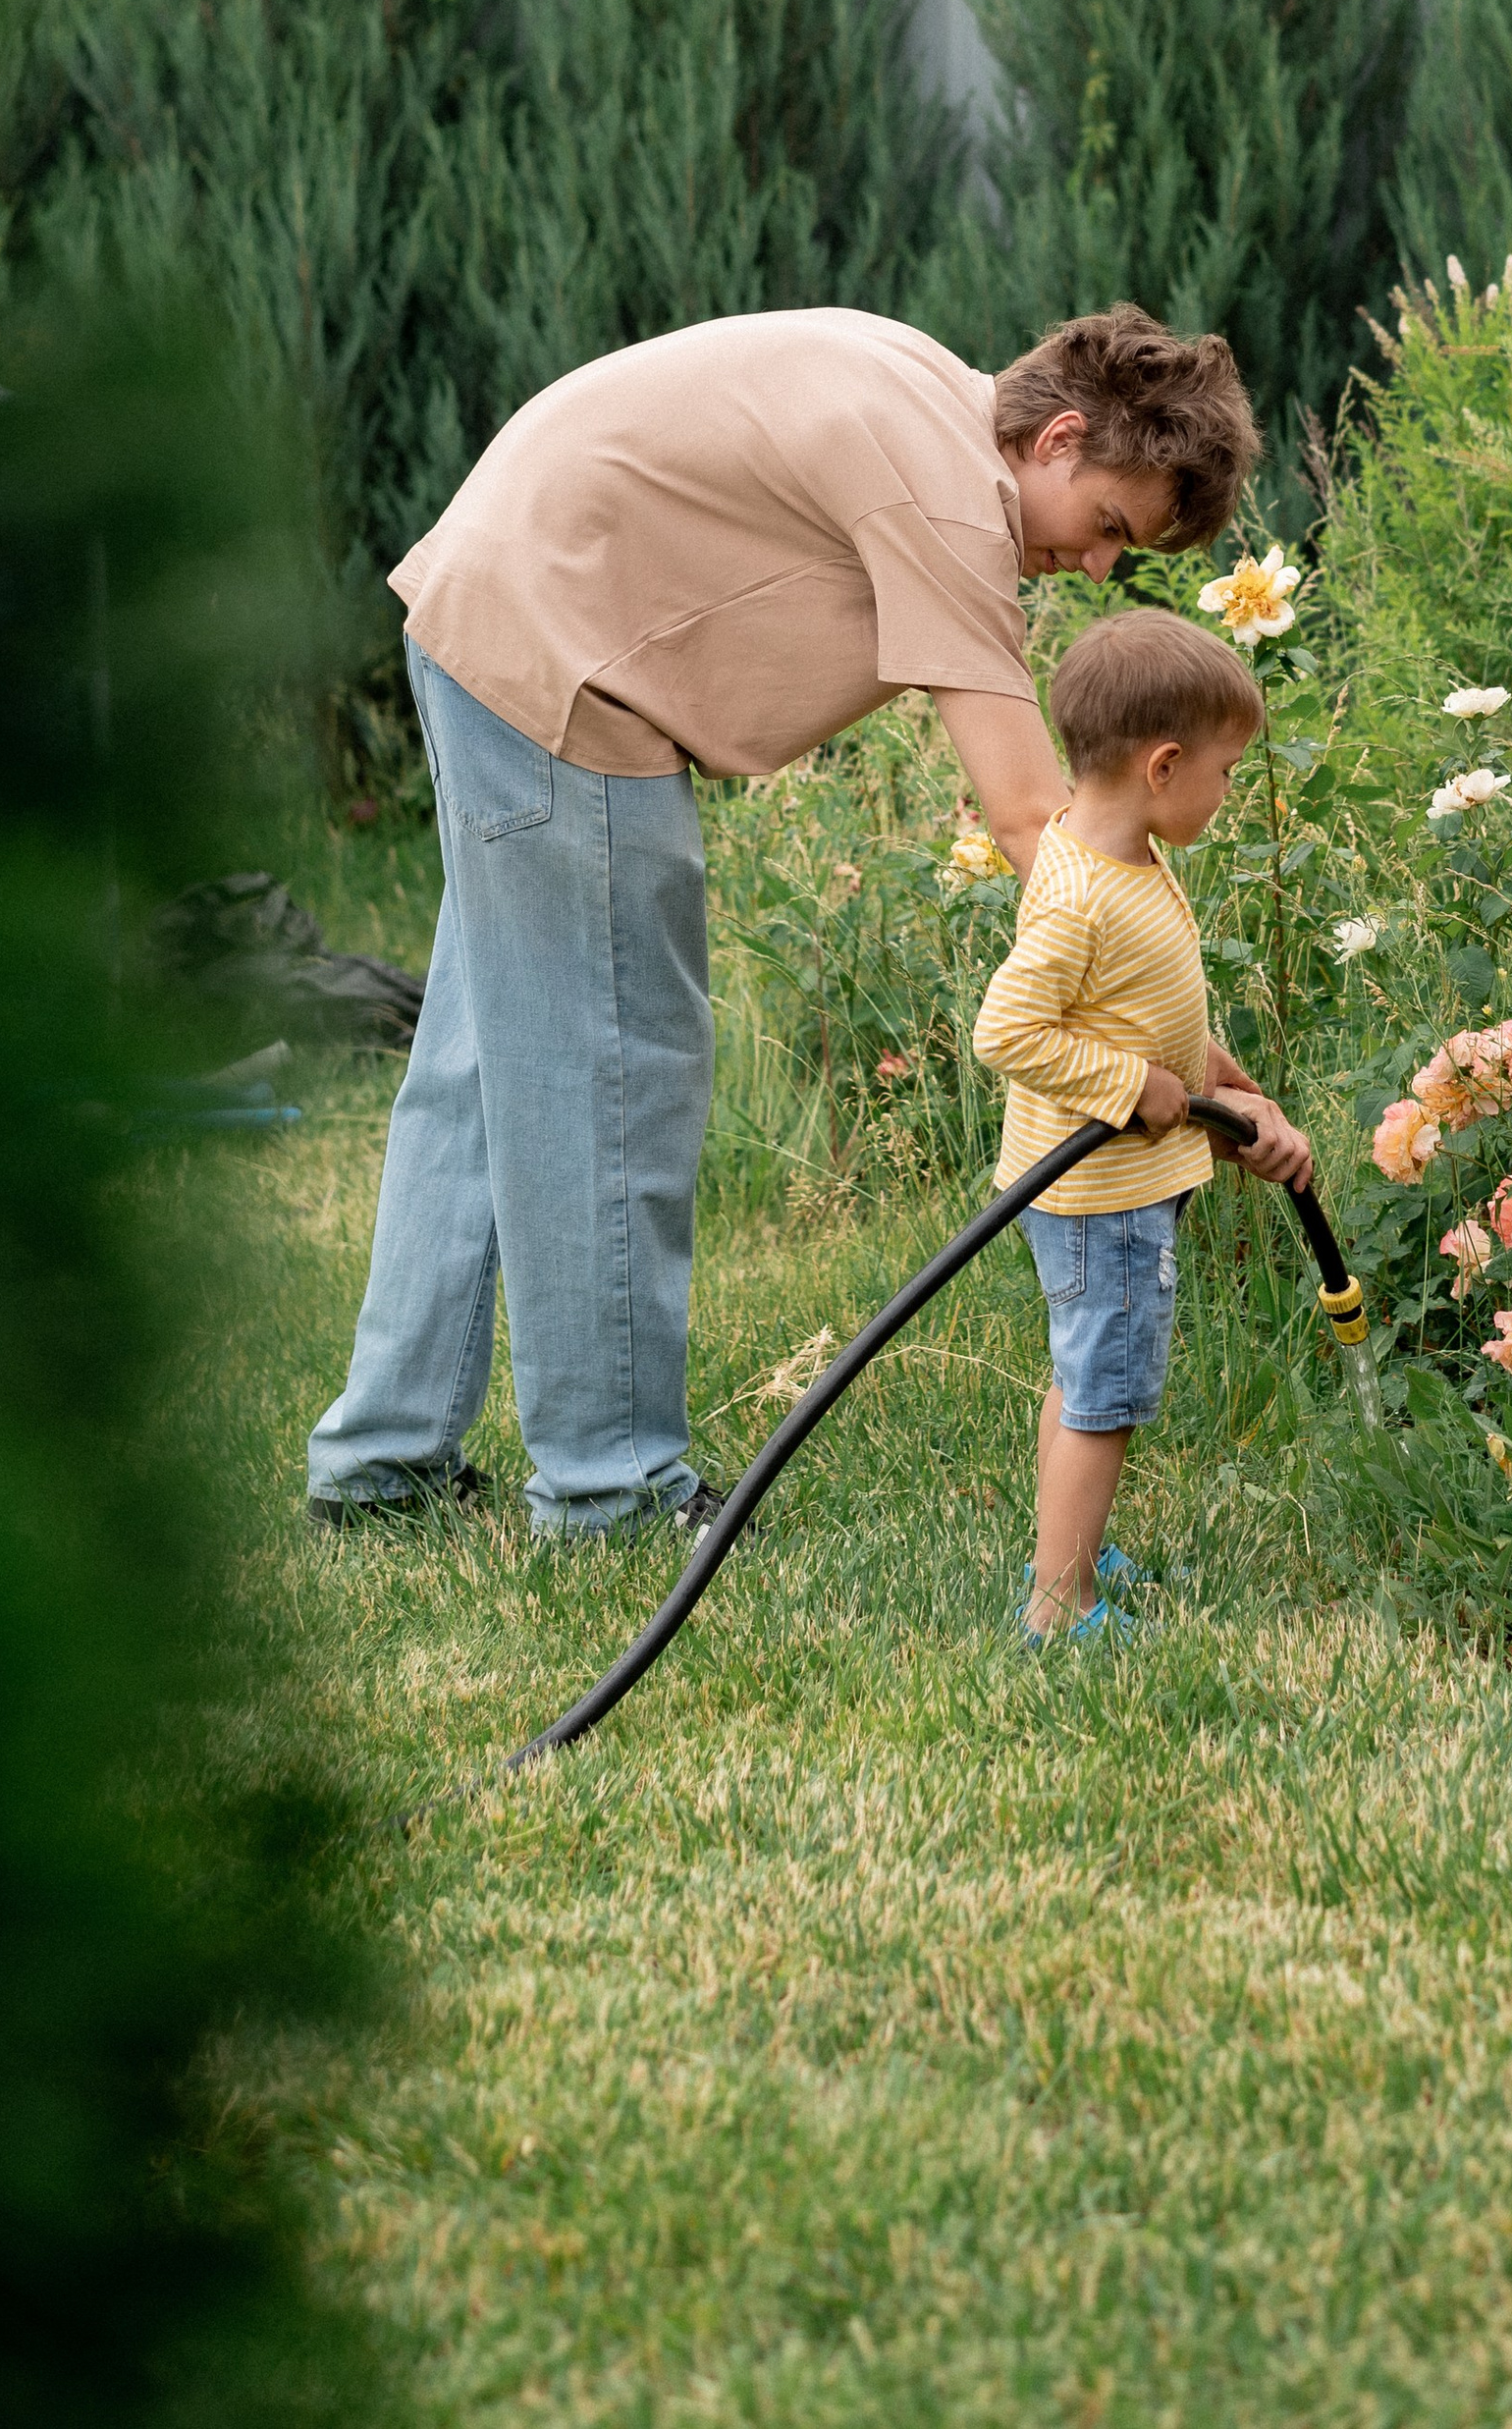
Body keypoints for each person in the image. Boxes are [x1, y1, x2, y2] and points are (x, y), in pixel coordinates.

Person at [306, 303, 1311, 1537]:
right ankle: (608, 1490)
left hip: (500, 612)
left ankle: (383, 1467)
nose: (1099, 569)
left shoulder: (932, 401)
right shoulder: (949, 498)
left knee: (484, 1069)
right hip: (563, 665)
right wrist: (1196, 1064)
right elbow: (1037, 827)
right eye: (1109, 526)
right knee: (614, 1070)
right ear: (1056, 438)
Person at [972, 608, 1314, 1643]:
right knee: (1105, 1396)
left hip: (1108, 1189)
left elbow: (1160, 1017)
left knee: (1086, 1373)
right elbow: (1007, 1030)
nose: (1228, 790)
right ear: (1162, 766)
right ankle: (1058, 1604)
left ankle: (1068, 1548)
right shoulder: (1080, 897)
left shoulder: (1120, 860)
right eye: (1224, 770)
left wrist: (1235, 1095)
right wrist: (1128, 1085)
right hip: (1097, 1194)